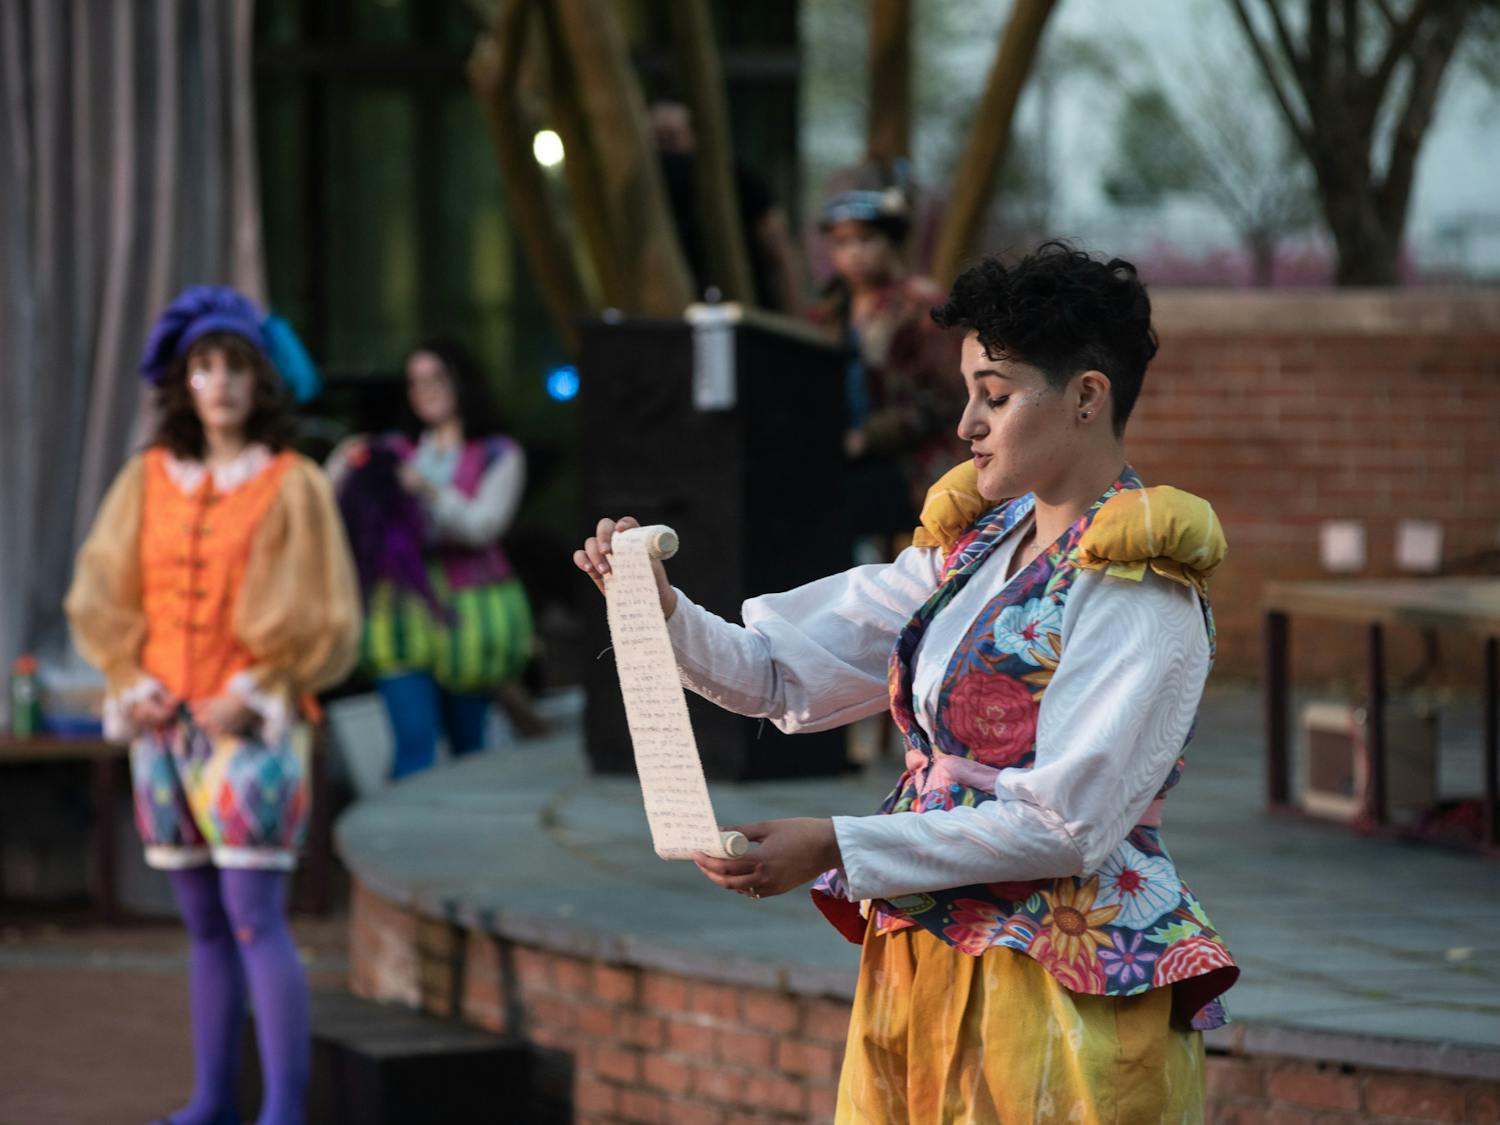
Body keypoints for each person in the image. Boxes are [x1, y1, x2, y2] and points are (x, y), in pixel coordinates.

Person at [576, 243, 1238, 1121]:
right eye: (969, 391)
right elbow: (781, 673)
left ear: (1087, 397)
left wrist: (838, 844)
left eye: (994, 396)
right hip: (924, 955)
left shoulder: (1140, 581)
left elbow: (1064, 823)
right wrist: (660, 611)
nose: (966, 423)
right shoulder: (972, 551)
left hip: (1063, 988)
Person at [66, 285, 360, 1125]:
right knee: (197, 918)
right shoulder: (147, 480)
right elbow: (105, 593)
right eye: (204, 365)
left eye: (234, 364)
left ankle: (284, 1110)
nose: (220, 380)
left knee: (252, 915)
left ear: (258, 381)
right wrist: (130, 679)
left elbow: (324, 612)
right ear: (184, 381)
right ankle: (213, 1099)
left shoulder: (291, 484)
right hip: (161, 727)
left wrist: (255, 685)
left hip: (253, 726)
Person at [327, 339, 533, 781]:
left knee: (468, 749)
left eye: (436, 378)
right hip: (400, 615)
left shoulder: (499, 454)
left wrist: (425, 489)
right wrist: (347, 460)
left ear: (462, 381)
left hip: (471, 617)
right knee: (413, 744)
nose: (425, 390)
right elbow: (329, 504)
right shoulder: (394, 450)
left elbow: (483, 525)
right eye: (415, 382)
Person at [811, 173, 967, 556]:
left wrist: (871, 436)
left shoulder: (919, 305)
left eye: (866, 239)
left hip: (914, 469)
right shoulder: (827, 312)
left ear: (892, 243)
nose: (854, 254)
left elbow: (948, 396)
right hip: (841, 466)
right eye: (842, 243)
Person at [650, 96, 805, 313]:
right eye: (660, 139)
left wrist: (795, 315)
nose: (668, 149)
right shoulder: (647, 191)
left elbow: (780, 249)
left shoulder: (737, 180)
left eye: (673, 137)